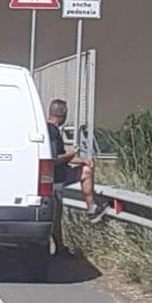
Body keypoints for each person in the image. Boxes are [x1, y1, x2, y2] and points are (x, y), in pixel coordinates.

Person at [47, 99, 107, 256]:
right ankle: (92, 208)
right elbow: (54, 158)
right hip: (56, 178)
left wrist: (81, 160)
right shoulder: (52, 131)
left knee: (56, 216)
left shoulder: (46, 128)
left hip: (55, 176)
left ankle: (60, 248)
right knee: (56, 216)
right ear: (63, 113)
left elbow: (64, 156)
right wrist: (71, 154)